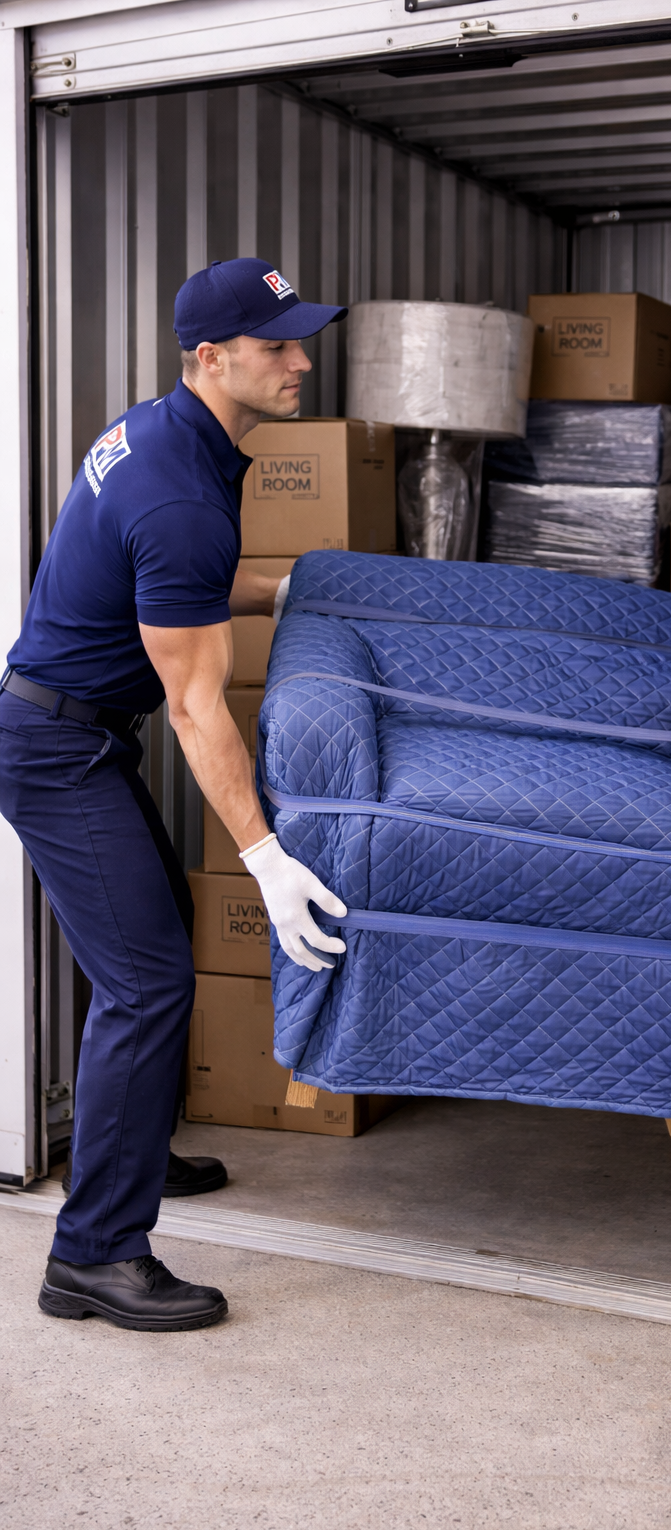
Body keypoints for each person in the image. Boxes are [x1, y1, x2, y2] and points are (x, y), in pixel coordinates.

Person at [0, 258, 349, 1332]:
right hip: (55, 750)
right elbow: (200, 708)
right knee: (149, 985)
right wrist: (267, 857)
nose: (301, 360)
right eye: (277, 345)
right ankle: (93, 1255)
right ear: (211, 358)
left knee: (151, 955)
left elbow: (181, 580)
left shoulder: (168, 432)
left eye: (300, 338)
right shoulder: (179, 486)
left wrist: (291, 585)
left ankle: (133, 1146)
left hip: (80, 732)